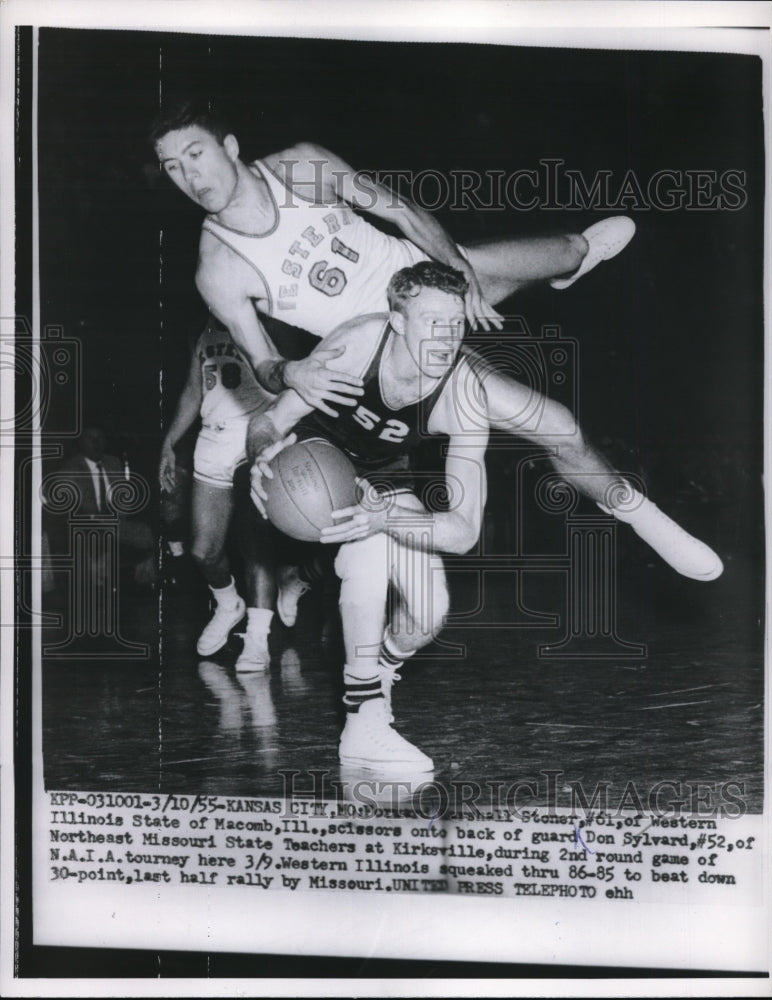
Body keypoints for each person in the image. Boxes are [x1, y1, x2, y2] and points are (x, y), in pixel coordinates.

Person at [151, 102, 722, 583]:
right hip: (386, 347)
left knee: (572, 249)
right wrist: (291, 373)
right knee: (556, 425)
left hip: (427, 279)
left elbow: (399, 209)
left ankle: (566, 267)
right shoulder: (218, 267)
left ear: (228, 145)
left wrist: (456, 269)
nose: (189, 176)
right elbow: (266, 363)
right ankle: (644, 517)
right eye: (172, 168)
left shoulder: (298, 167)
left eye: (195, 154)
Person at [249, 262, 490, 772]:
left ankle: (376, 670)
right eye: (432, 322)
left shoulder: (466, 395)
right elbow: (269, 420)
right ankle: (362, 720)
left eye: (457, 324)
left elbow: (464, 532)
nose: (447, 339)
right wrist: (261, 455)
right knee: (370, 551)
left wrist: (388, 520)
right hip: (312, 466)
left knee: (428, 614)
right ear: (398, 322)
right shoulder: (357, 345)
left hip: (387, 483)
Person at [159, 315, 279, 670]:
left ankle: (257, 637)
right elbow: (193, 391)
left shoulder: (264, 321)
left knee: (256, 543)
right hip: (212, 436)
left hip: (255, 432)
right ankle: (229, 605)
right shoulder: (204, 331)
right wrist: (169, 443)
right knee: (202, 551)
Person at [52, 426, 156, 589]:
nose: (96, 442)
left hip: (114, 521)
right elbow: (62, 502)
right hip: (86, 521)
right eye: (91, 438)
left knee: (145, 532)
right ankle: (96, 587)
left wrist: (121, 514)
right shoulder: (71, 468)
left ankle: (143, 582)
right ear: (80, 443)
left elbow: (123, 496)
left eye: (100, 438)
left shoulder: (113, 462)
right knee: (95, 536)